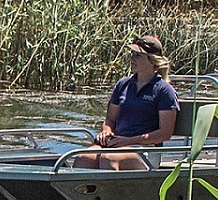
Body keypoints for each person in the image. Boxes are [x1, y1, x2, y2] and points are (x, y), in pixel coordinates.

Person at [77, 32, 180, 168]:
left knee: (109, 158)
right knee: (83, 157)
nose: (132, 59)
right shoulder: (123, 84)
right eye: (132, 55)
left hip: (146, 149)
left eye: (138, 56)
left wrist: (128, 141)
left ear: (152, 60)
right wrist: (107, 132)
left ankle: (115, 189)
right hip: (117, 143)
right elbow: (110, 120)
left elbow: (164, 133)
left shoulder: (164, 90)